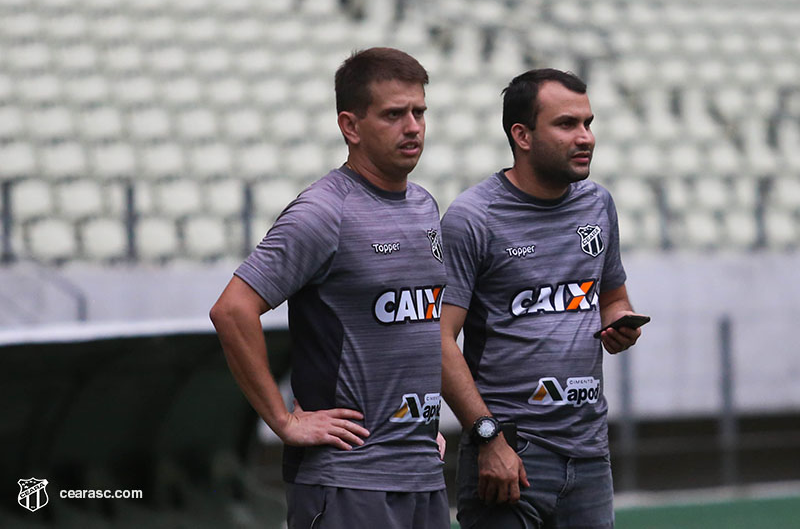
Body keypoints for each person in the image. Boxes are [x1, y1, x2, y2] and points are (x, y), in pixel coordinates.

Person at [210, 47, 449, 529]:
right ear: (351, 126)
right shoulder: (324, 211)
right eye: (394, 114)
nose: (413, 127)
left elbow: (419, 325)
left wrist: (421, 426)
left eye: (419, 112)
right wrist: (282, 420)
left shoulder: (424, 205)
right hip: (348, 480)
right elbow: (232, 310)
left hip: (423, 473)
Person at [440, 68, 646, 528]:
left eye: (588, 123)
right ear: (522, 135)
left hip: (590, 453)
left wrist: (620, 320)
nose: (585, 137)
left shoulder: (598, 204)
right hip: (511, 453)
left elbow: (613, 297)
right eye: (567, 124)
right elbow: (437, 340)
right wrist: (489, 440)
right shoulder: (474, 217)